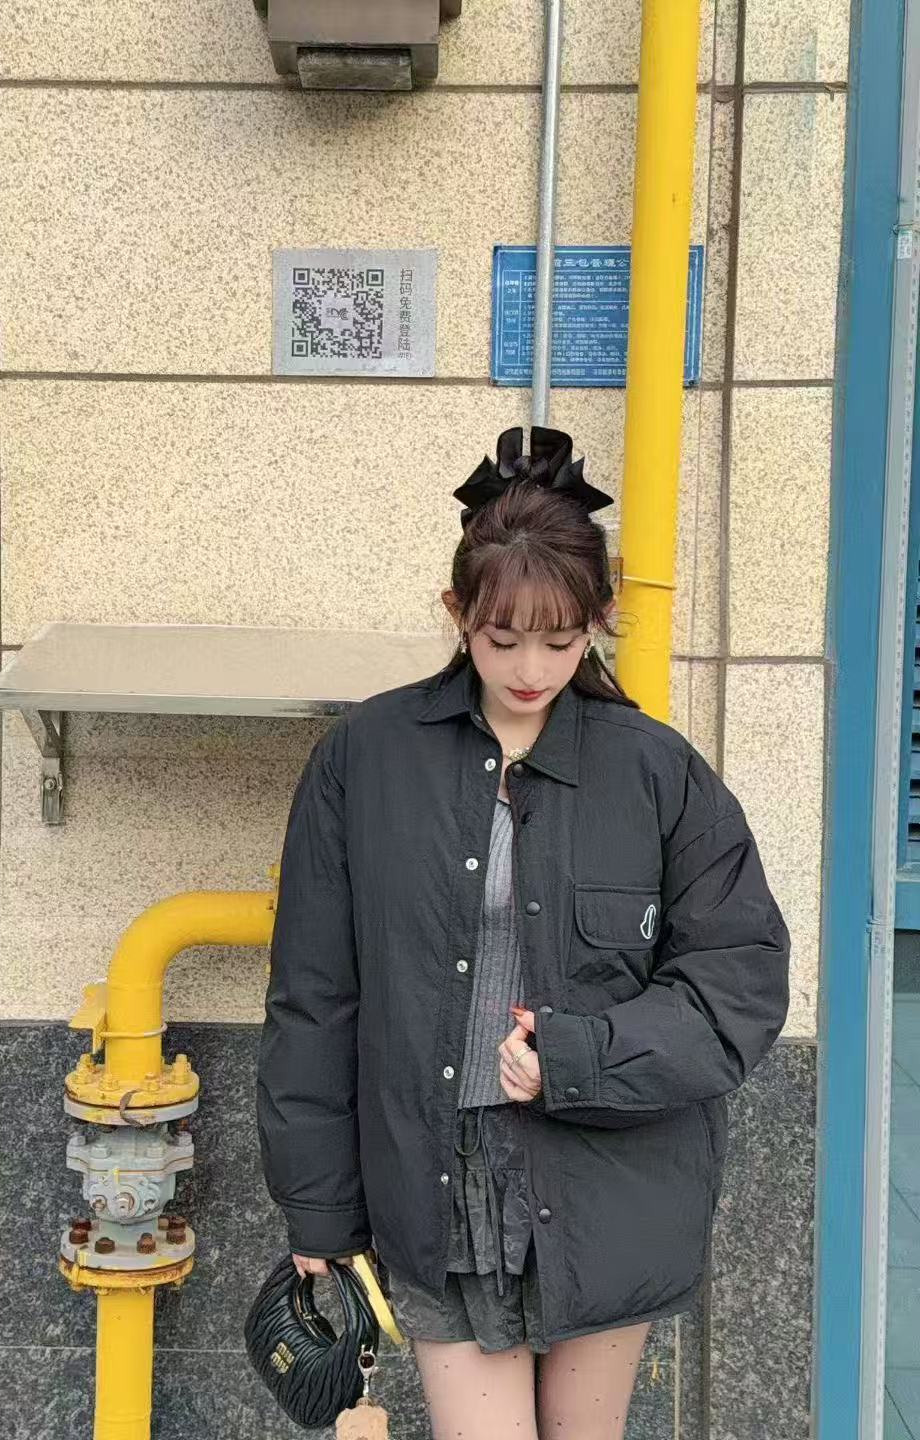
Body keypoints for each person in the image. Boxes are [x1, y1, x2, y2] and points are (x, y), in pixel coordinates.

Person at [255, 425, 790, 1439]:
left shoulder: (657, 772)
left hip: (610, 1175)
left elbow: (741, 983)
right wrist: (317, 1206)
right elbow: (315, 996)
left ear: (599, 621)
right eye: (502, 640)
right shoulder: (365, 759)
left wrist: (579, 1054)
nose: (532, 667)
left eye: (561, 639)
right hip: (432, 1178)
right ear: (458, 613)